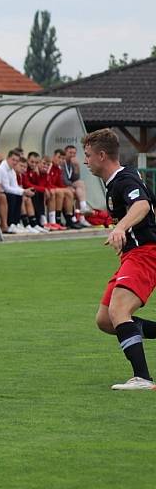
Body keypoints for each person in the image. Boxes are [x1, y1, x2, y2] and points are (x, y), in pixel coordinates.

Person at [85, 128, 156, 391]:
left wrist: (120, 228)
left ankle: (143, 378)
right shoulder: (120, 180)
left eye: (88, 155)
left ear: (102, 155)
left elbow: (142, 206)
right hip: (134, 255)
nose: (86, 161)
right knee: (105, 320)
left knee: (119, 312)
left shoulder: (124, 180)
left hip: (145, 255)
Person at [62, 144, 93, 227]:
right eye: (70, 153)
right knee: (80, 185)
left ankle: (81, 218)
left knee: (80, 188)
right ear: (65, 153)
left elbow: (76, 178)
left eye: (74, 153)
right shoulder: (62, 162)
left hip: (71, 186)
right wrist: (71, 186)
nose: (72, 155)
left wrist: (77, 167)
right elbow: (63, 179)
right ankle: (83, 209)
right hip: (63, 186)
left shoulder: (72, 163)